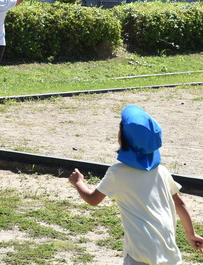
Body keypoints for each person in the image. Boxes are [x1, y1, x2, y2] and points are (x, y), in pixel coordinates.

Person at [69, 105, 203, 264]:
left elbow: (93, 199)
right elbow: (180, 204)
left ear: (121, 138)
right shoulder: (161, 171)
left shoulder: (117, 172)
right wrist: (190, 234)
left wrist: (78, 182)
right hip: (169, 255)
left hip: (139, 253)